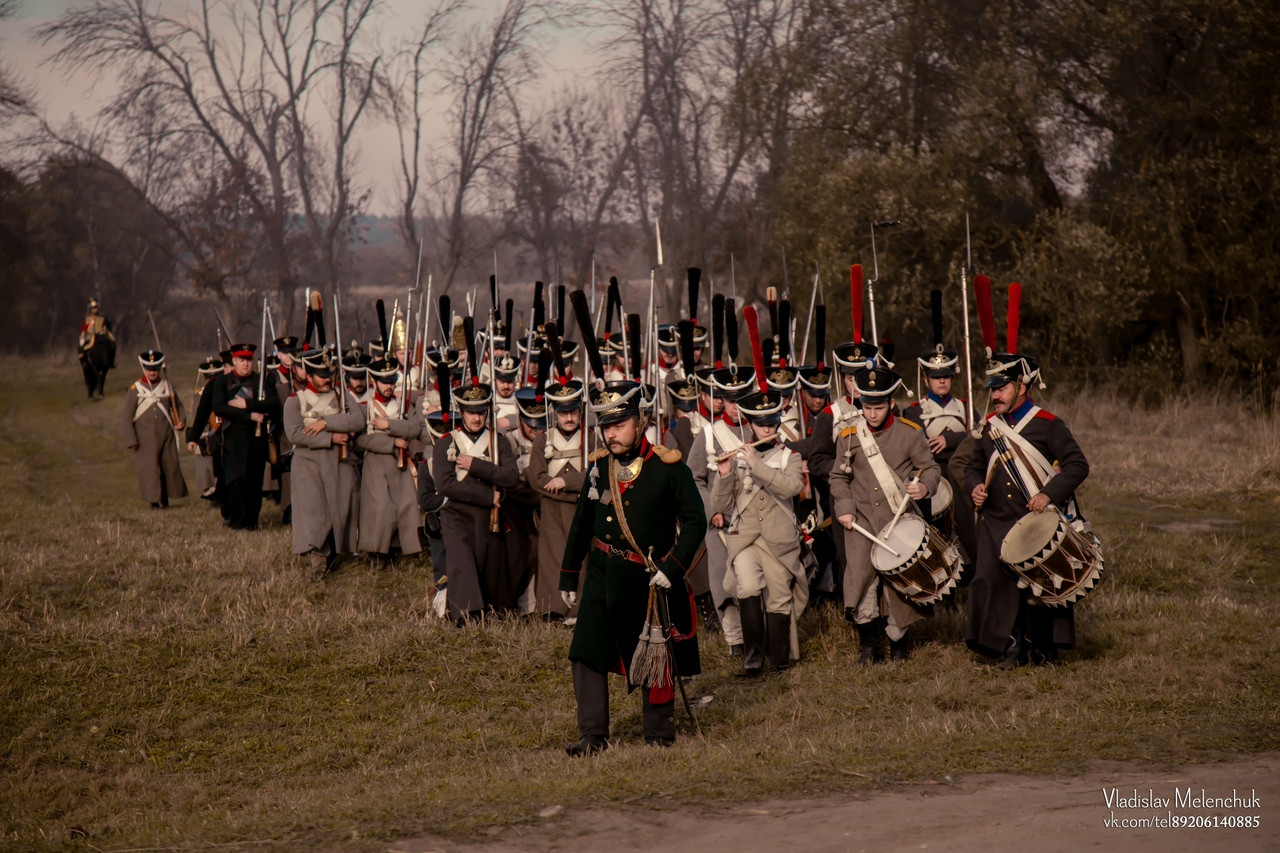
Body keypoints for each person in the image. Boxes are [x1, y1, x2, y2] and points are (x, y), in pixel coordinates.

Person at [560, 380, 706, 754]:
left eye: (619, 424)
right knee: (585, 652)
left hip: (647, 580)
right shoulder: (599, 468)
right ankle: (593, 737)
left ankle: (658, 735)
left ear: (640, 421)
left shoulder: (667, 467)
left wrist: (672, 568)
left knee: (655, 656)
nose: (612, 434)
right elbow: (582, 522)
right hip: (601, 574)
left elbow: (694, 523)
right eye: (606, 426)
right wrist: (569, 572)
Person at [964, 351, 1090, 666]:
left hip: (1034, 518)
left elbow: (1077, 465)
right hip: (996, 520)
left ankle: (1044, 649)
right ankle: (1008, 648)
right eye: (992, 389)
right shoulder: (989, 426)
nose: (994, 395)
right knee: (994, 583)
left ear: (1022, 386)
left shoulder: (1048, 424)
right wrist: (975, 487)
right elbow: (973, 468)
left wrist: (1048, 495)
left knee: (1040, 585)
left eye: (1001, 387)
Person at [829, 365, 939, 663]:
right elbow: (838, 478)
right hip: (861, 520)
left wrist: (924, 488)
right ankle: (868, 647)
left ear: (891, 403)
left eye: (878, 407)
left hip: (898, 520)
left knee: (898, 586)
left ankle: (899, 645)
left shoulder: (910, 433)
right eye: (867, 407)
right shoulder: (849, 436)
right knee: (862, 580)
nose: (872, 414)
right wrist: (845, 509)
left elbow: (930, 468)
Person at [710, 387, 806, 676]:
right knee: (748, 586)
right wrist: (725, 475)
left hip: (779, 539)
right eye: (761, 422)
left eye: (772, 421)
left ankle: (778, 659)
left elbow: (792, 487)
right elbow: (720, 504)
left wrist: (757, 465)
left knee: (778, 597)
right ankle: (752, 656)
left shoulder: (790, 455)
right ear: (749, 424)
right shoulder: (738, 456)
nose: (767, 427)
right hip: (745, 540)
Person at [432, 374, 522, 620]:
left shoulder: (499, 442)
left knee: (491, 569)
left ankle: (493, 613)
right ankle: (464, 616)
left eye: (481, 412)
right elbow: (445, 484)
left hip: (489, 518)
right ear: (461, 411)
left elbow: (511, 477)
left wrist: (476, 466)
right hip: (456, 516)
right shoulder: (446, 444)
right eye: (471, 412)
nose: (476, 418)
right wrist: (487, 495)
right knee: (462, 564)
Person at [284, 348, 365, 578]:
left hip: (339, 463)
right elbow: (295, 434)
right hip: (308, 465)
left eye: (329, 373)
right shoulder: (294, 402)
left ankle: (336, 552)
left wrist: (326, 423)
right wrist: (331, 437)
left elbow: (357, 421)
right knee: (314, 512)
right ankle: (317, 560)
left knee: (340, 508)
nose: (327, 378)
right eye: (321, 375)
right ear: (308, 376)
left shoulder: (342, 396)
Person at [527, 378, 587, 620]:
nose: (569, 418)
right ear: (554, 412)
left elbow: (595, 473)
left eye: (573, 411)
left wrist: (566, 482)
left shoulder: (589, 438)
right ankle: (552, 609)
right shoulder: (543, 440)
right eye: (563, 413)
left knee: (580, 558)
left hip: (580, 509)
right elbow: (537, 478)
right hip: (551, 509)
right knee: (553, 558)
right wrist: (572, 493)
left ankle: (579, 609)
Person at [356, 357, 424, 563]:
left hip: (399, 463)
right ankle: (376, 552)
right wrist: (392, 443)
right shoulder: (364, 406)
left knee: (407, 504)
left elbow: (415, 428)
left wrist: (389, 426)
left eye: (392, 381)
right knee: (380, 507)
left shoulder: (402, 404)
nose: (389, 386)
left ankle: (409, 549)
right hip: (376, 463)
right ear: (374, 382)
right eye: (384, 382)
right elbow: (360, 439)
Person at [211, 343, 279, 530]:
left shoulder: (262, 381)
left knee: (254, 482)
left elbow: (273, 404)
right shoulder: (222, 382)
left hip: (256, 439)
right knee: (234, 481)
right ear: (234, 361)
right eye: (241, 360)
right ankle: (235, 520)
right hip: (233, 439)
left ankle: (251, 521)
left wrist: (249, 405)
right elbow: (220, 407)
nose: (246, 364)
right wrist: (248, 415)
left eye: (248, 360)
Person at [122, 349, 188, 508]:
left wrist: (181, 421)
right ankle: (153, 501)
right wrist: (131, 440)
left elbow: (177, 406)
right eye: (149, 369)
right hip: (144, 438)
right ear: (144, 368)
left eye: (156, 368)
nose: (153, 372)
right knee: (150, 470)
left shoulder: (167, 386)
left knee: (168, 466)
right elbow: (126, 417)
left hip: (166, 434)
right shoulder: (135, 389)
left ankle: (165, 498)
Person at [186, 355, 225, 501]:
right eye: (209, 377)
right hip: (206, 433)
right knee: (206, 467)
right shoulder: (200, 394)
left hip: (220, 432)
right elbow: (198, 415)